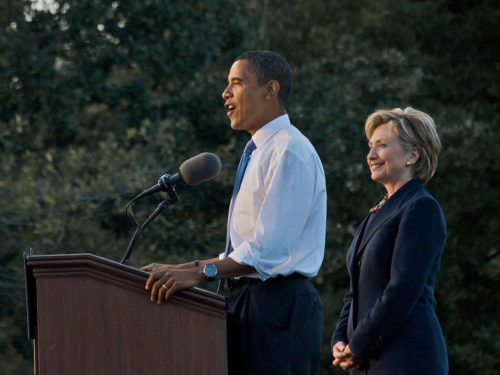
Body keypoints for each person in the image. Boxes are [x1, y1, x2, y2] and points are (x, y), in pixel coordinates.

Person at [142, 51, 327, 375]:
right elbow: (244, 250)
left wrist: (198, 274)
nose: (224, 94)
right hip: (248, 300)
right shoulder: (259, 151)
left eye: (236, 83)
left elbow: (267, 252)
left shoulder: (289, 150)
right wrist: (180, 268)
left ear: (270, 90)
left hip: (278, 305)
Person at [331, 107, 448, 374]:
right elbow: (355, 291)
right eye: (370, 146)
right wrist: (340, 339)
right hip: (366, 360)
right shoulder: (378, 212)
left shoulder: (421, 208)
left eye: (382, 146)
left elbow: (403, 289)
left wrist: (358, 345)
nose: (370, 155)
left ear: (412, 155)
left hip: (405, 358)